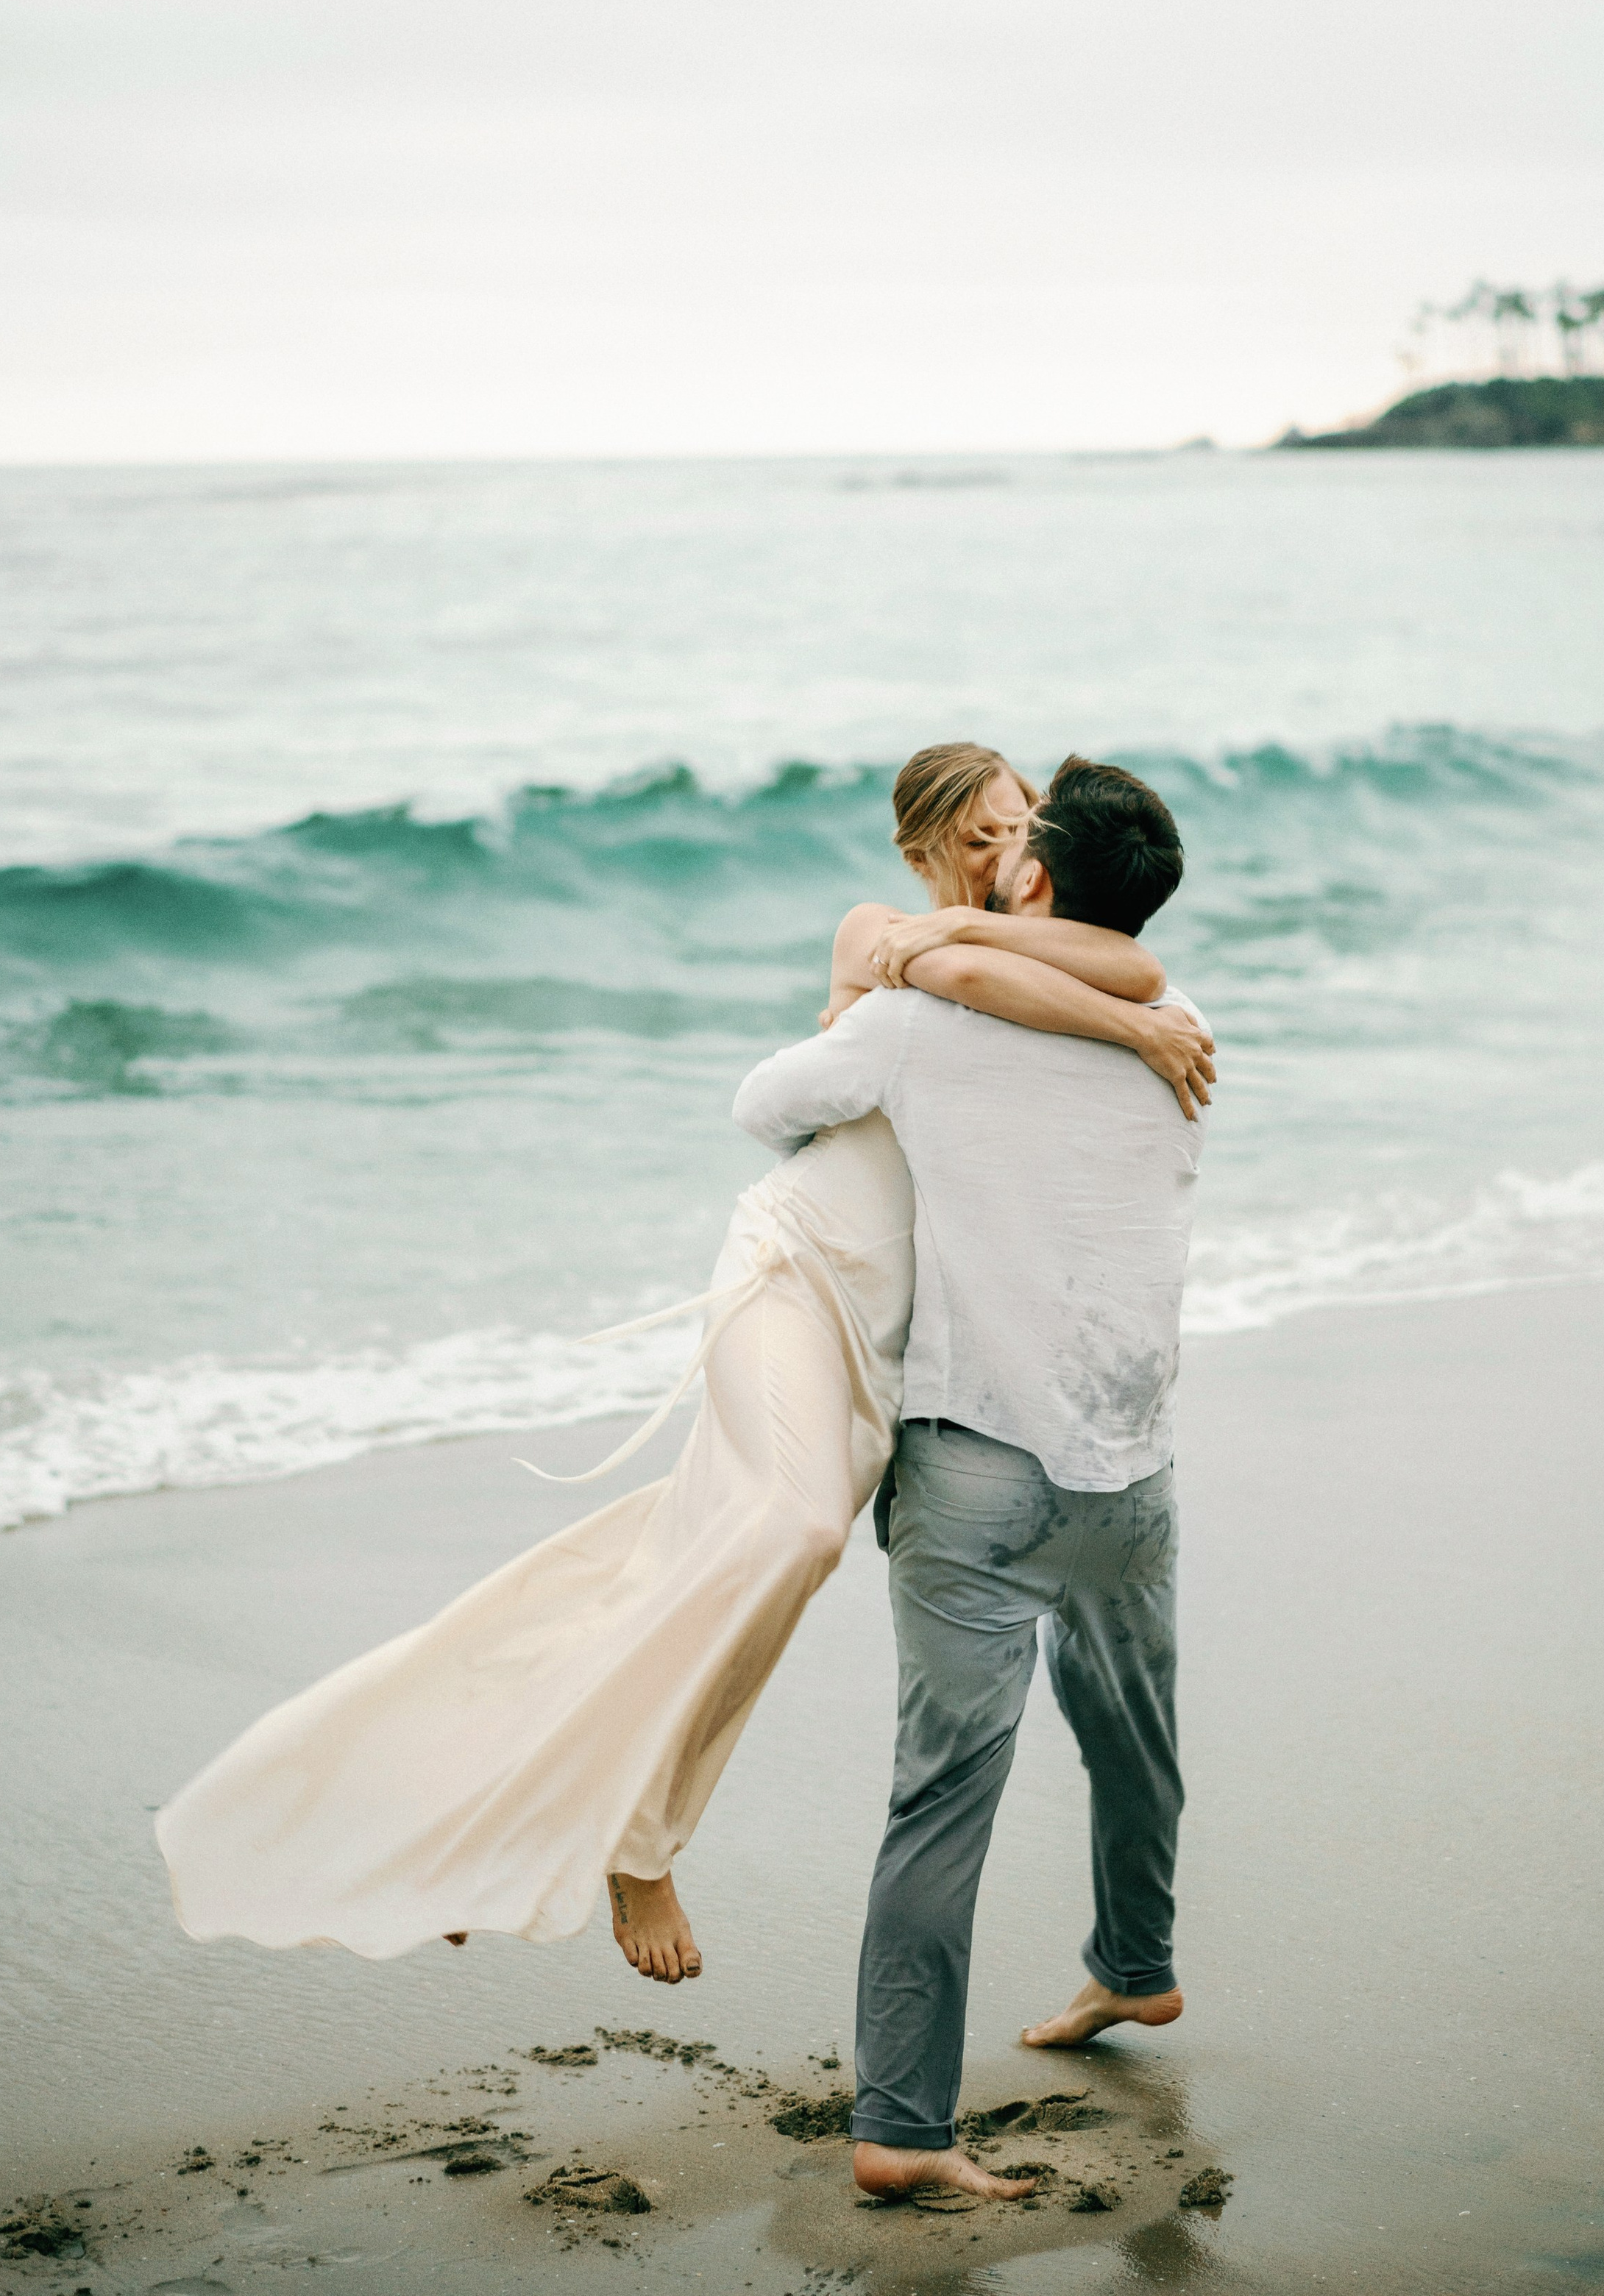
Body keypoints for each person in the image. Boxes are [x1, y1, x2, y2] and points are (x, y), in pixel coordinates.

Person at [155, 744, 1214, 1990]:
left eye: (1016, 831)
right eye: (974, 839)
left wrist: (1117, 1023)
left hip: (890, 1335)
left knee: (712, 1557)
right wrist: (1060, 1014)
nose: (1000, 857)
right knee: (793, 1528)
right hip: (794, 1271)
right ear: (924, 849)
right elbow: (767, 1108)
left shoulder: (992, 966)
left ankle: (493, 1812)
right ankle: (642, 1841)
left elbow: (1130, 969)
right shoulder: (882, 938)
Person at [731, 757, 1207, 2205]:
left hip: (975, 1468)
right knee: (1132, 1736)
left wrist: (895, 969)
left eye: (1017, 844)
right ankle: (1134, 1972)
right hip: (1124, 1461)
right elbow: (1116, 979)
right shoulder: (1179, 1027)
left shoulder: (917, 1024)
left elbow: (765, 1107)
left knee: (941, 1797)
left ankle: (902, 2130)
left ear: (1034, 880)